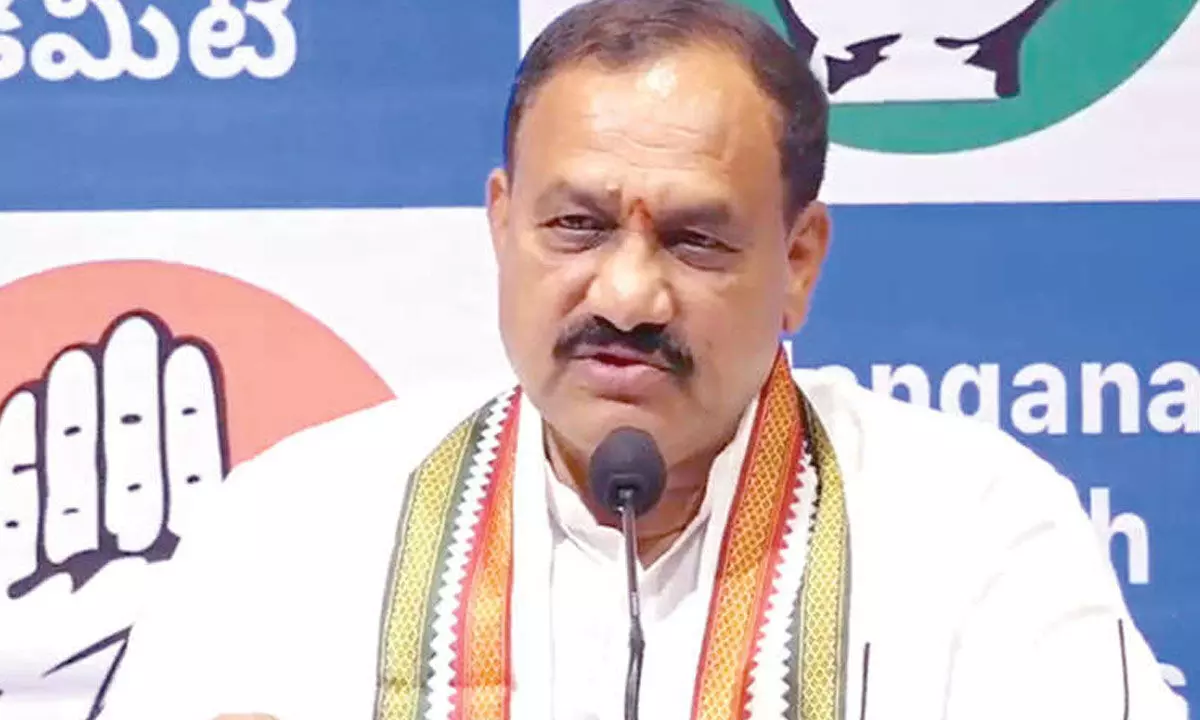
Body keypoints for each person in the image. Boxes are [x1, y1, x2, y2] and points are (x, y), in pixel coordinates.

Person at [97, 0, 1187, 718]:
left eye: (696, 239)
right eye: (576, 227)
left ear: (798, 261)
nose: (626, 295)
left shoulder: (974, 528)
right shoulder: (295, 525)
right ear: (501, 225)